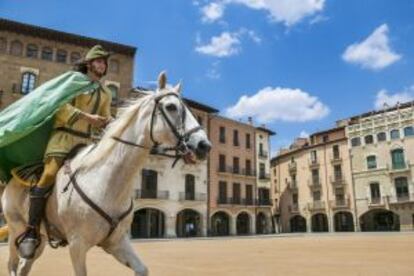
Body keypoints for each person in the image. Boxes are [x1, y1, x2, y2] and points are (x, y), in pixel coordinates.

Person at [15, 45, 113, 258]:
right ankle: (32, 230)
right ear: (89, 64)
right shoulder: (72, 81)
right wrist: (88, 118)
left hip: (87, 144)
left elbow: (105, 118)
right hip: (62, 139)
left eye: (104, 62)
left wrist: (113, 123)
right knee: (49, 175)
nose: (102, 65)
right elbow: (59, 106)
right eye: (99, 61)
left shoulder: (105, 93)